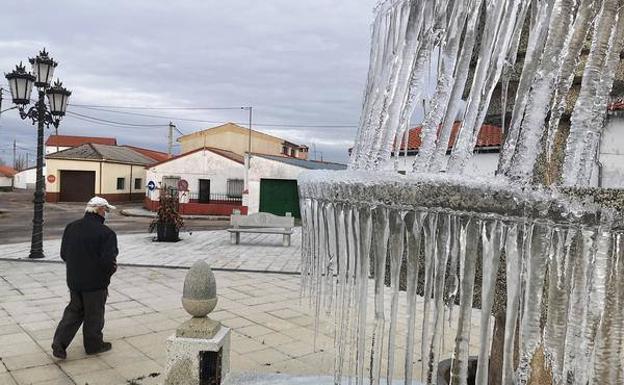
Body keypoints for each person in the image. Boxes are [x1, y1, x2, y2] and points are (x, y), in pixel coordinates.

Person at [51, 197, 118, 359]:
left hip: (74, 280)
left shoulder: (71, 227)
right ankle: (94, 345)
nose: (106, 214)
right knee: (94, 314)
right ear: (100, 210)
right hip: (95, 283)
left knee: (74, 311)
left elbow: (64, 254)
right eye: (106, 210)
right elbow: (108, 261)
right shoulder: (106, 233)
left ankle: (59, 344)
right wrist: (109, 272)